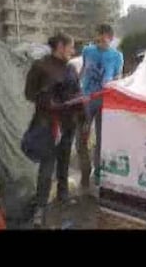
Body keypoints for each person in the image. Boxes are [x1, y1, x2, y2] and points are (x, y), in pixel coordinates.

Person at [24, 33, 84, 227]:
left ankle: (63, 195)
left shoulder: (71, 68)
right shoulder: (40, 66)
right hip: (49, 124)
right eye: (70, 47)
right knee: (47, 166)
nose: (73, 51)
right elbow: (29, 94)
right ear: (60, 46)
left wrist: (81, 109)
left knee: (65, 160)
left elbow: (77, 91)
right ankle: (40, 207)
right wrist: (47, 100)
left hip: (69, 123)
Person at [77, 24, 124, 195]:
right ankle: (84, 172)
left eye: (104, 38)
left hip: (105, 102)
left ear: (110, 39)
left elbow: (118, 77)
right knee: (81, 137)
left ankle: (98, 173)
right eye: (98, 37)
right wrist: (76, 87)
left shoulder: (117, 56)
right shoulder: (88, 51)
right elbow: (83, 70)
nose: (100, 41)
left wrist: (113, 87)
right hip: (86, 100)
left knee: (101, 140)